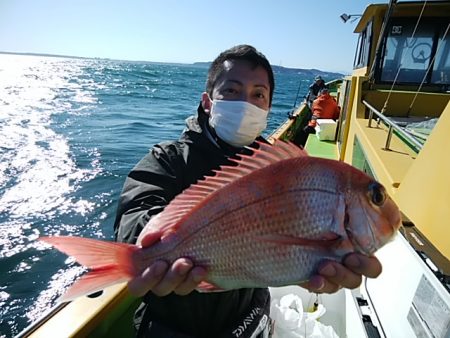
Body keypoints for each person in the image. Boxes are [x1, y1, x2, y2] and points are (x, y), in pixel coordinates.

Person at [113, 44, 382, 337]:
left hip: (250, 318)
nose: (246, 103)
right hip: (174, 325)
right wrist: (157, 239)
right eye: (231, 90)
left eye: (258, 95)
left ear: (267, 109)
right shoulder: (168, 159)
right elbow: (135, 217)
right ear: (207, 102)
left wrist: (303, 263)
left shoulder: (278, 172)